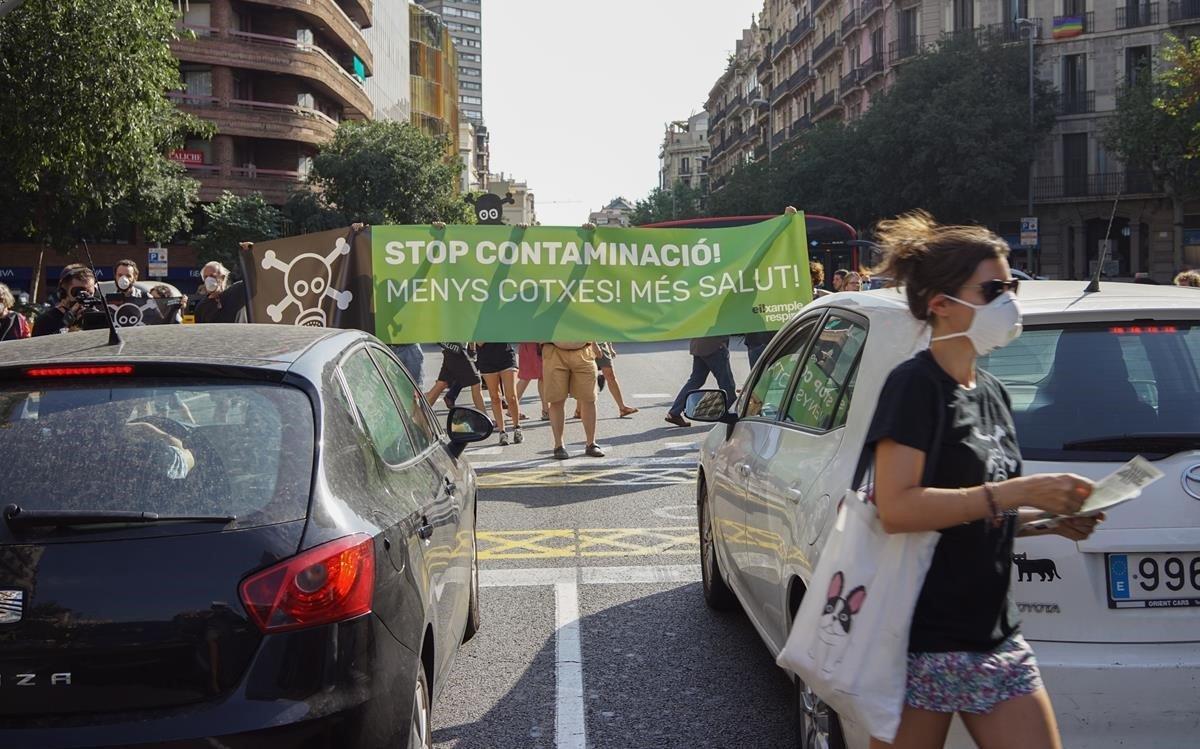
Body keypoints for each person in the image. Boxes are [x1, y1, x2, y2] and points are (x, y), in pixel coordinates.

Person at [865, 210, 1100, 749]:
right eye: (993, 288)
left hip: (994, 633)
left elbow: (974, 512)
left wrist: (1047, 522)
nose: (1010, 299)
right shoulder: (914, 386)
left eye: (1011, 284)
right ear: (940, 305)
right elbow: (897, 509)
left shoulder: (989, 389)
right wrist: (1021, 492)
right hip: (920, 638)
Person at [543, 341, 604, 459]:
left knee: (589, 398)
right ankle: (559, 445)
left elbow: (590, 322)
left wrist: (595, 344)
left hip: (584, 350)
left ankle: (591, 443)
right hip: (554, 351)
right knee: (556, 400)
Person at [664, 336, 737, 428]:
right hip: (714, 346)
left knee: (696, 380)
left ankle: (674, 412)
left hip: (699, 345)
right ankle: (734, 413)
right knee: (726, 383)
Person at [574, 342, 639, 419]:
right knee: (586, 378)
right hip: (586, 346)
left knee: (610, 376)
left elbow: (605, 330)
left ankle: (622, 408)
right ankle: (579, 410)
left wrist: (610, 347)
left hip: (602, 345)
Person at [33, 265, 98, 336]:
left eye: (90, 293)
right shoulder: (44, 322)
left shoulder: (99, 318)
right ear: (63, 293)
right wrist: (67, 330)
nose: (85, 297)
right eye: (77, 292)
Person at [477, 342, 522, 445]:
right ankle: (502, 432)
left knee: (511, 396)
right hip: (487, 359)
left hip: (506, 356)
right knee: (495, 397)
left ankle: (517, 428)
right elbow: (479, 342)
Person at [425, 343, 487, 413]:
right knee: (476, 383)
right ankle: (485, 420)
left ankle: (419, 415)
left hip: (449, 348)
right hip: (459, 351)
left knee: (442, 383)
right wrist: (473, 350)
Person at [516, 342, 548, 421]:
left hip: (530, 344)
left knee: (539, 376)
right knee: (528, 377)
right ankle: (546, 410)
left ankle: (546, 410)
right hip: (534, 344)